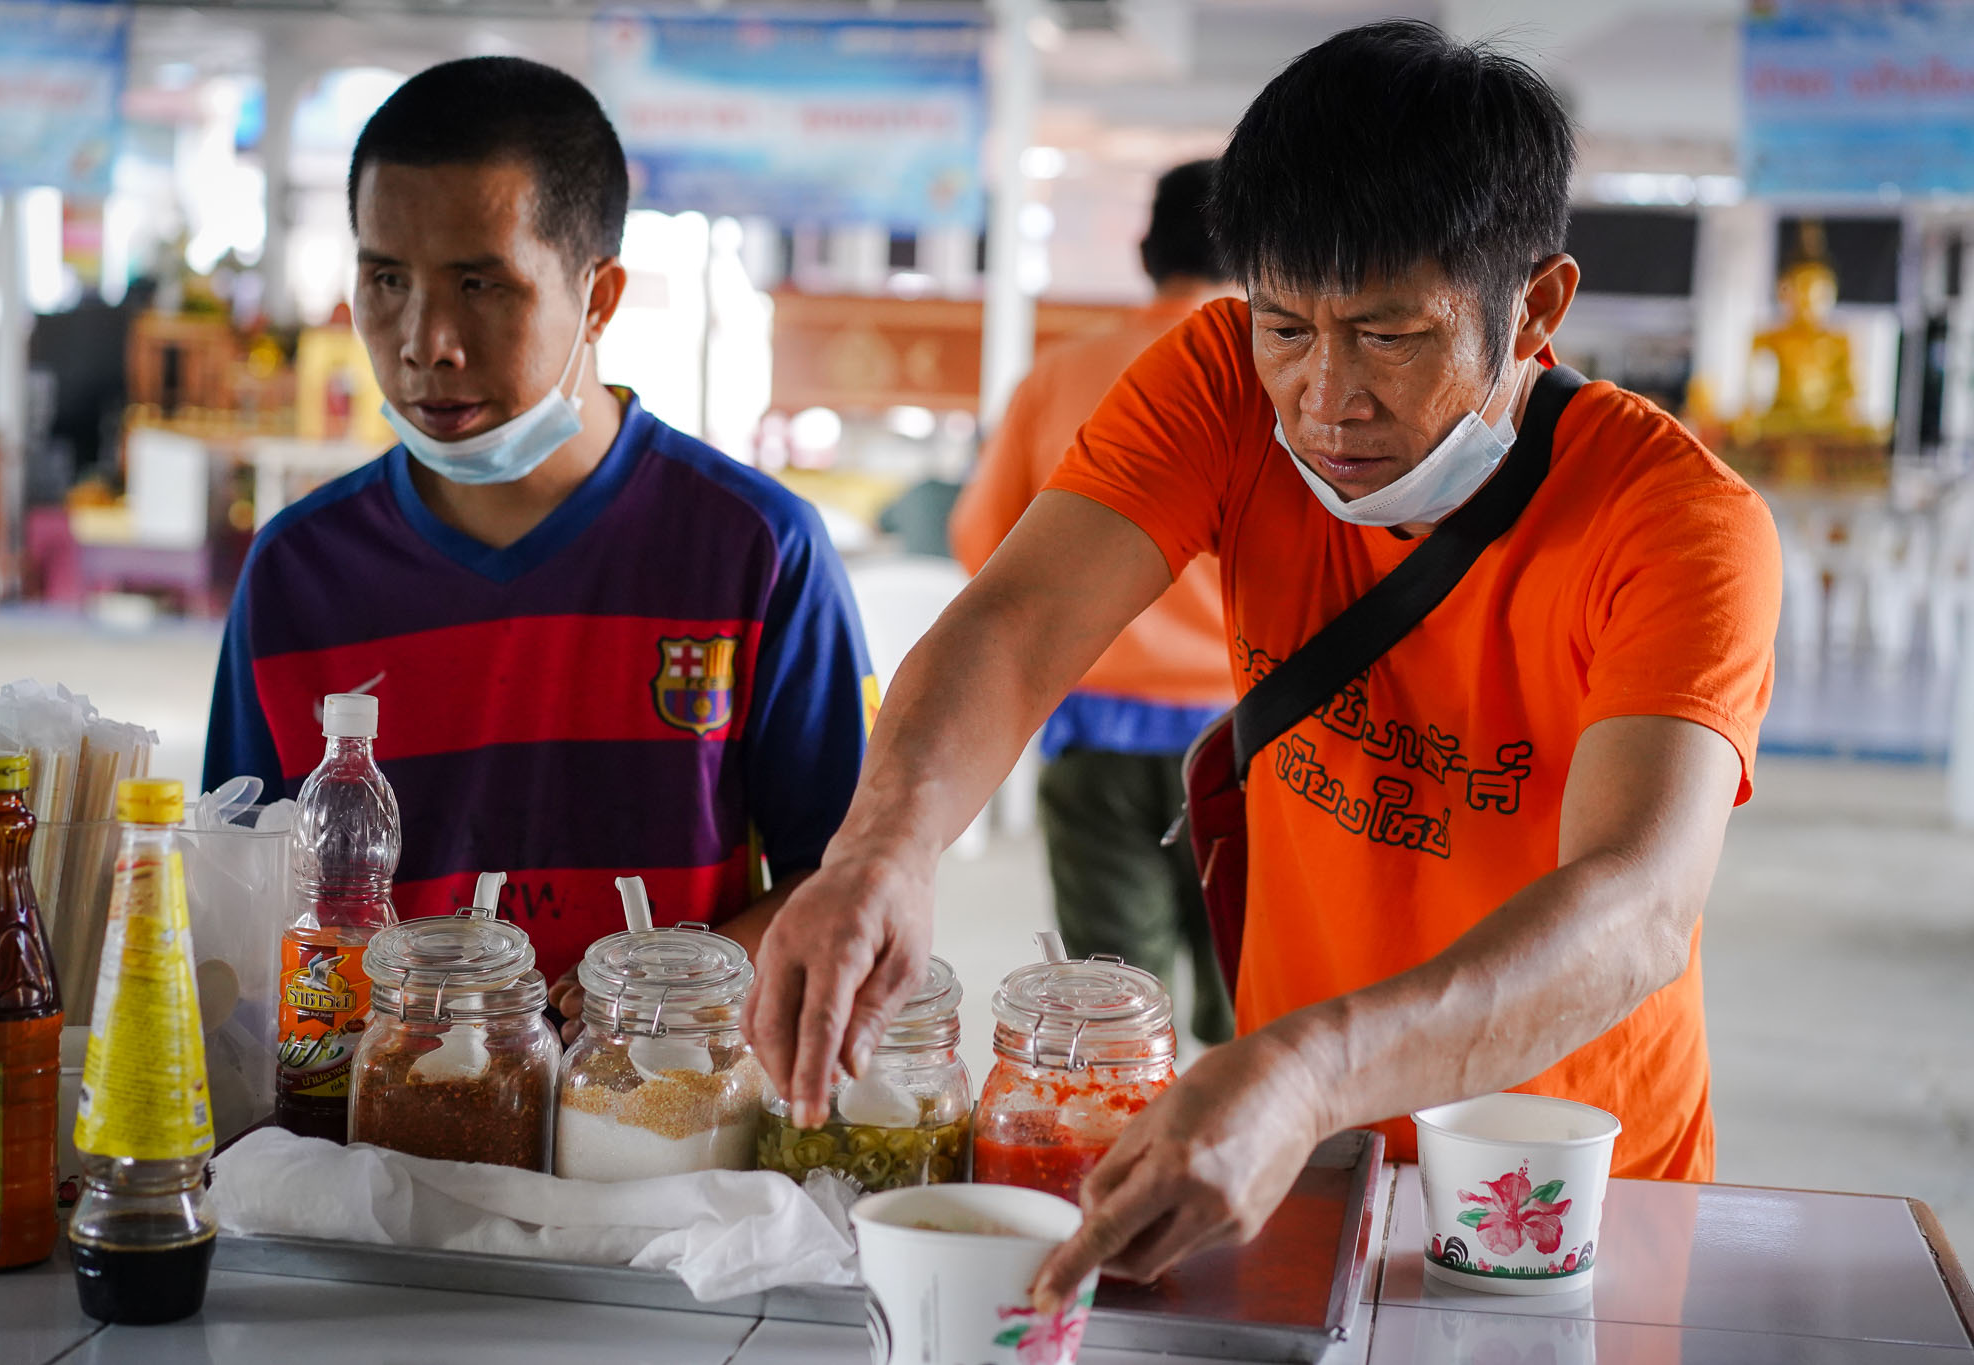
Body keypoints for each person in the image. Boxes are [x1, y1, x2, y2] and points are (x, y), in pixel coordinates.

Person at [744, 20, 1780, 1307]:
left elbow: (1632, 908)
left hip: (1567, 1184)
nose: (1324, 398)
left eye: (1389, 337)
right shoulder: (1216, 382)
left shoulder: (1678, 525)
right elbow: (1014, 624)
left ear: (1536, 308)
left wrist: (1304, 1070)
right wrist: (882, 851)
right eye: (1285, 326)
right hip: (1305, 1157)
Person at [204, 58, 875, 1026]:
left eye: (481, 284)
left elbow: (842, 876)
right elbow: (238, 892)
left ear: (599, 298)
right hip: (370, 1107)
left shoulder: (755, 552)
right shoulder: (297, 575)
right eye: (386, 280)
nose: (425, 341)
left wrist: (655, 1004)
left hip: (661, 1098)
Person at [949, 160, 1235, 1045]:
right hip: (1253, 737)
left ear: (1147, 251)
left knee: (1116, 1011)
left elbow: (983, 543)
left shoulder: (1061, 375)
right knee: (1256, 1003)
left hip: (1096, 733)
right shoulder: (1288, 381)